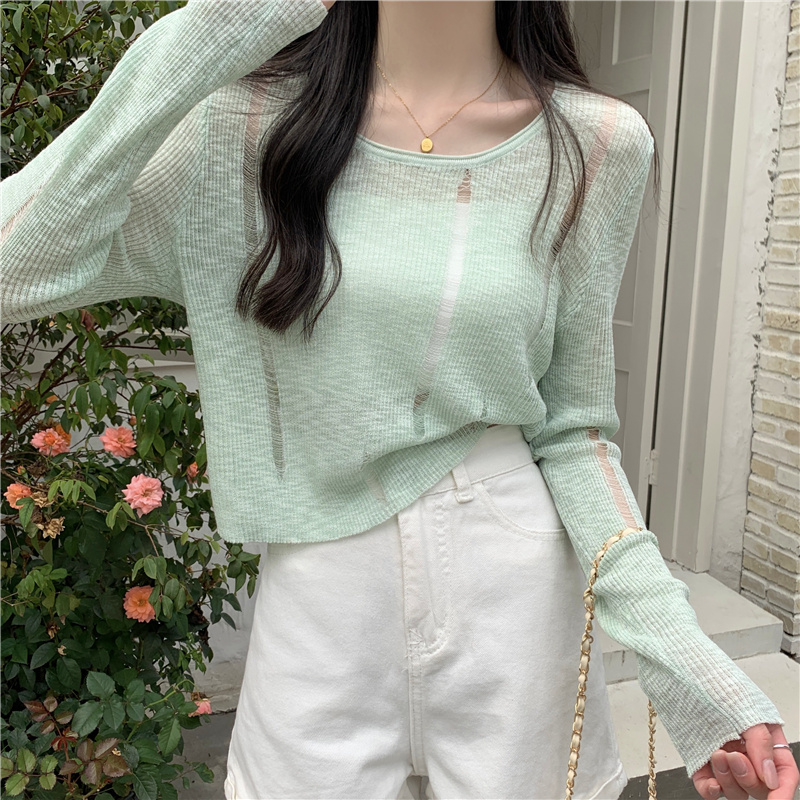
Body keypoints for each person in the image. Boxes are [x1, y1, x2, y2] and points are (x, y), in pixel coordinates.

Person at [1, 1, 797, 798]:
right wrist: (229, 22)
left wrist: (686, 662)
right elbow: (15, 263)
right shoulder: (241, 132)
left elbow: (574, 430)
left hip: (516, 593)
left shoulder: (596, 144)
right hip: (321, 597)